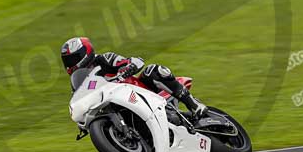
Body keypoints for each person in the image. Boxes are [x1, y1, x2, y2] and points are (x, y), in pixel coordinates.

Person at [60, 36, 208, 118]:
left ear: (84, 52)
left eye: (73, 58)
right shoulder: (79, 80)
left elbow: (134, 61)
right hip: (115, 106)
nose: (70, 64)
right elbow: (79, 100)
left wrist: (126, 68)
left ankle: (194, 105)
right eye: (67, 61)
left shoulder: (105, 59)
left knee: (154, 70)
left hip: (142, 93)